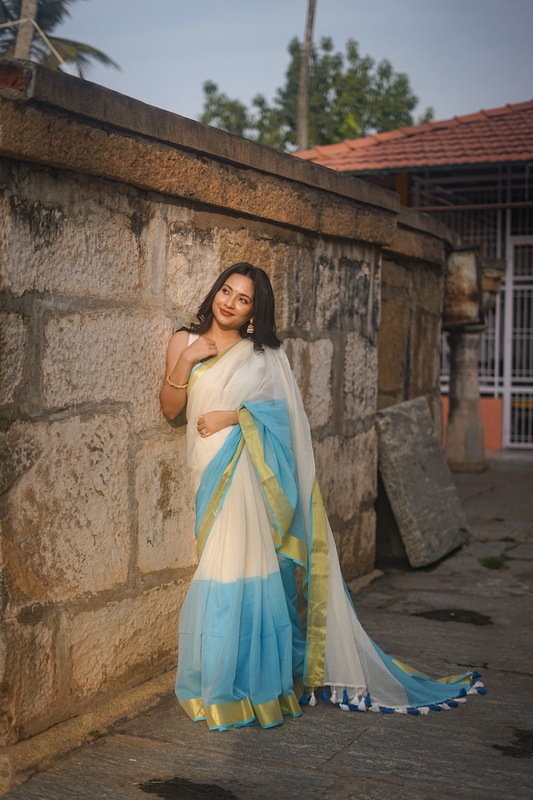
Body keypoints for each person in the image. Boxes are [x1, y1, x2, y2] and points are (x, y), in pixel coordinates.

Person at [160, 262, 483, 732]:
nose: (228, 302)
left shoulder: (262, 354)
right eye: (225, 291)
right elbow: (170, 410)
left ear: (254, 311)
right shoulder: (183, 342)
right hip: (209, 473)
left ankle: (252, 689)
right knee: (220, 572)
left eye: (242, 298)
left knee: (244, 574)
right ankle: (222, 683)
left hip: (250, 475)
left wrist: (234, 417)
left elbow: (284, 422)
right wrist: (189, 361)